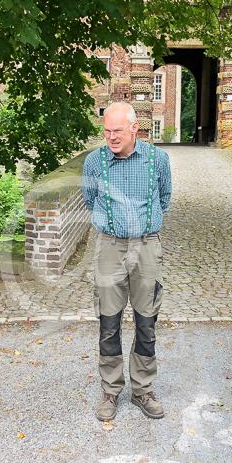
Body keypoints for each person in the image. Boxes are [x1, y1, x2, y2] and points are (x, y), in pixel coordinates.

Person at [81, 102, 172, 422]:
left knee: (146, 322)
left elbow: (164, 198)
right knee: (109, 322)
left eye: (117, 131)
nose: (111, 137)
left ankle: (142, 389)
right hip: (109, 247)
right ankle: (110, 388)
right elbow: (89, 200)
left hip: (147, 247)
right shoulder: (94, 161)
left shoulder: (157, 160)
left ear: (135, 128)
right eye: (106, 131)